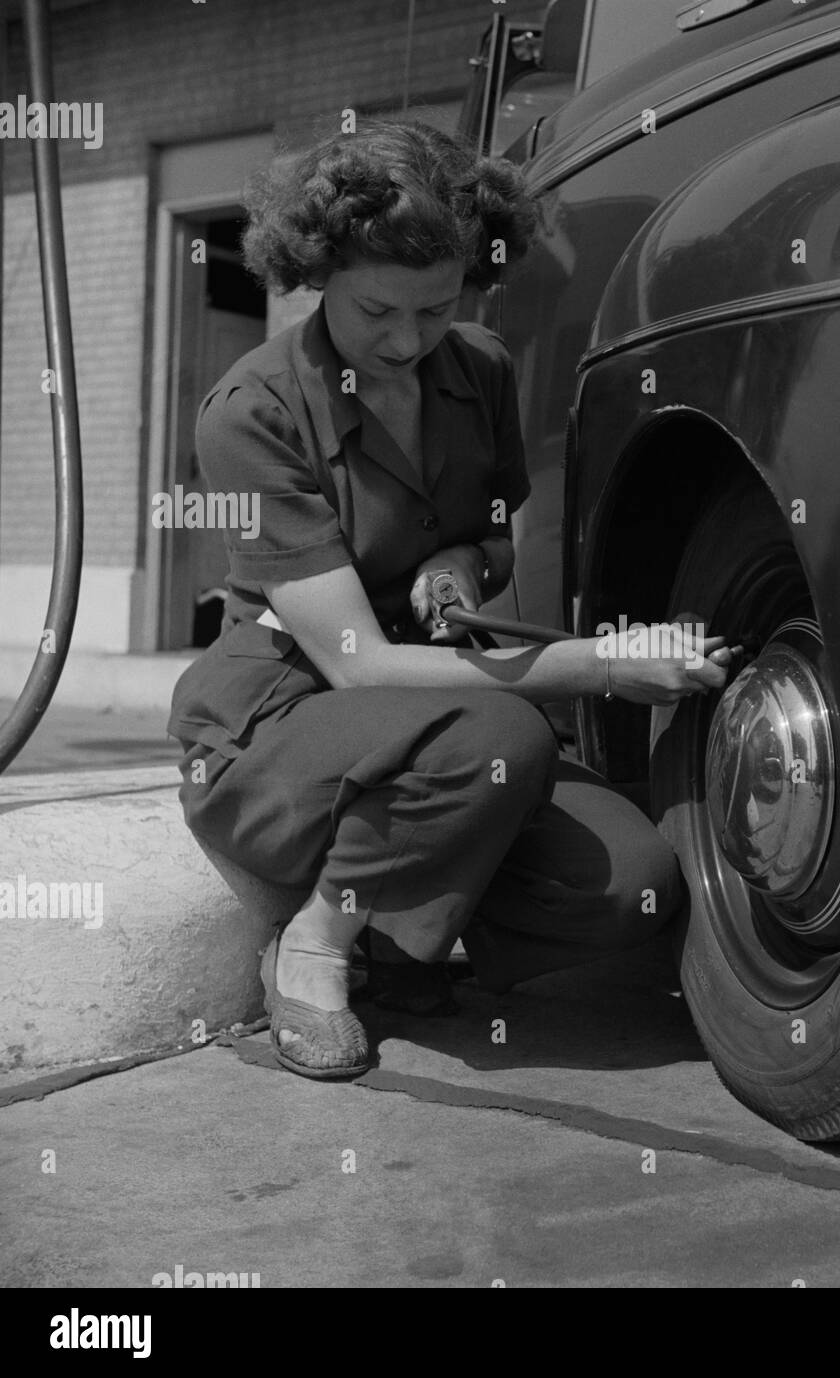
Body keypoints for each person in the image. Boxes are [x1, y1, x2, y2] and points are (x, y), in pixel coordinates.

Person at [166, 120, 737, 1081]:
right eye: (377, 310)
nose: (407, 340)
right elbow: (359, 663)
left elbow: (493, 537)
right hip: (282, 727)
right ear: (316, 273)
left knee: (627, 887)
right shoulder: (251, 413)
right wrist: (605, 663)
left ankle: (400, 931)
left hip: (438, 732)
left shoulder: (478, 367)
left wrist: (464, 569)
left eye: (437, 308)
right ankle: (314, 945)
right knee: (503, 735)